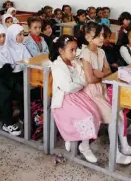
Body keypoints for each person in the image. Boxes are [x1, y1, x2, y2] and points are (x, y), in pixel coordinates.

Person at [80, 22, 131, 165]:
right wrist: (101, 74)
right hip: (91, 92)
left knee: (119, 114)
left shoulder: (101, 51)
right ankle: (115, 154)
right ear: (87, 37)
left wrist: (99, 73)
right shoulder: (85, 54)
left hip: (102, 88)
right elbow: (91, 79)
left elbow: (109, 72)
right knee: (113, 117)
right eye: (97, 35)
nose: (101, 38)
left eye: (102, 35)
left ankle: (125, 147)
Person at [50, 35, 102, 163]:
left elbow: (83, 79)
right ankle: (75, 141)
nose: (74, 53)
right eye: (71, 50)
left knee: (95, 112)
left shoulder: (74, 62)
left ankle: (83, 144)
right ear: (61, 51)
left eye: (75, 49)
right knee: (85, 116)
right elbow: (68, 86)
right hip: (64, 99)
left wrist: (78, 83)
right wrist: (80, 84)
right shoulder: (57, 65)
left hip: (77, 95)